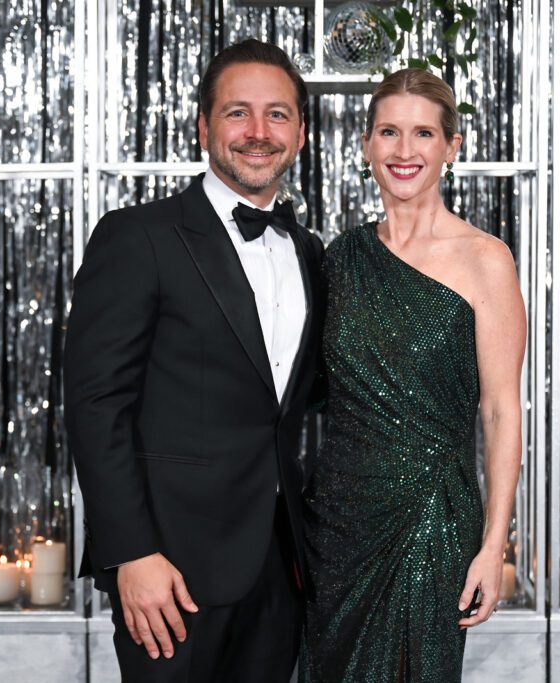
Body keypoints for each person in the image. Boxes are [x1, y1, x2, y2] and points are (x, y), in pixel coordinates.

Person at [64, 39, 324, 682]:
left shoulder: (311, 251)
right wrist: (132, 553)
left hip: (280, 568)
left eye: (278, 114)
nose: (258, 133)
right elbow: (96, 407)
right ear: (203, 126)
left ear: (300, 133)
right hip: (169, 575)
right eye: (238, 113)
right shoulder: (138, 236)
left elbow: (299, 401)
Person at [300, 68, 527, 682]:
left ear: (452, 147)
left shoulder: (487, 260)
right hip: (335, 525)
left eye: (423, 133)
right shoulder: (336, 258)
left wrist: (493, 543)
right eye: (389, 133)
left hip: (432, 518)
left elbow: (503, 411)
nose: (405, 151)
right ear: (367, 144)